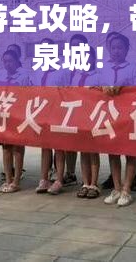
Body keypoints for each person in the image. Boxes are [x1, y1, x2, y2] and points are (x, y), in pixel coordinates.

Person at [98, 33, 136, 207]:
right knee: (113, 151)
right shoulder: (104, 67)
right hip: (110, 113)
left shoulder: (132, 67)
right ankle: (116, 188)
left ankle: (126, 189)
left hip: (128, 113)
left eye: (120, 47)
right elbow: (95, 86)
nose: (116, 51)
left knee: (130, 151)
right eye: (113, 48)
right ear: (109, 49)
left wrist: (124, 85)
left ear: (126, 49)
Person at [33, 38, 70, 195]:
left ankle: (59, 179)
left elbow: (68, 91)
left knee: (59, 147)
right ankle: (44, 178)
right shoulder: (38, 70)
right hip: (42, 112)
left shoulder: (62, 70)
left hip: (58, 112)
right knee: (45, 146)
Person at [0, 50, 30, 193]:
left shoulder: (24, 76)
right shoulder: (0, 74)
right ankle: (8, 179)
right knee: (5, 148)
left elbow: (28, 95)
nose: (7, 64)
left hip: (18, 115)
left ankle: (16, 181)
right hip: (4, 115)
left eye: (10, 61)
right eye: (5, 61)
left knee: (17, 148)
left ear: (17, 61)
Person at [73, 47, 101, 199]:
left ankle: (94, 183)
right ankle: (85, 182)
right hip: (79, 116)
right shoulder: (76, 76)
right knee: (83, 151)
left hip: (93, 117)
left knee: (93, 151)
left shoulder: (98, 76)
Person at [64, 34, 90, 187]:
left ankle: (90, 179)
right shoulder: (65, 65)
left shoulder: (92, 66)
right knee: (69, 142)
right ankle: (70, 172)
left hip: (86, 109)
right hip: (68, 108)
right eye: (73, 45)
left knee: (86, 146)